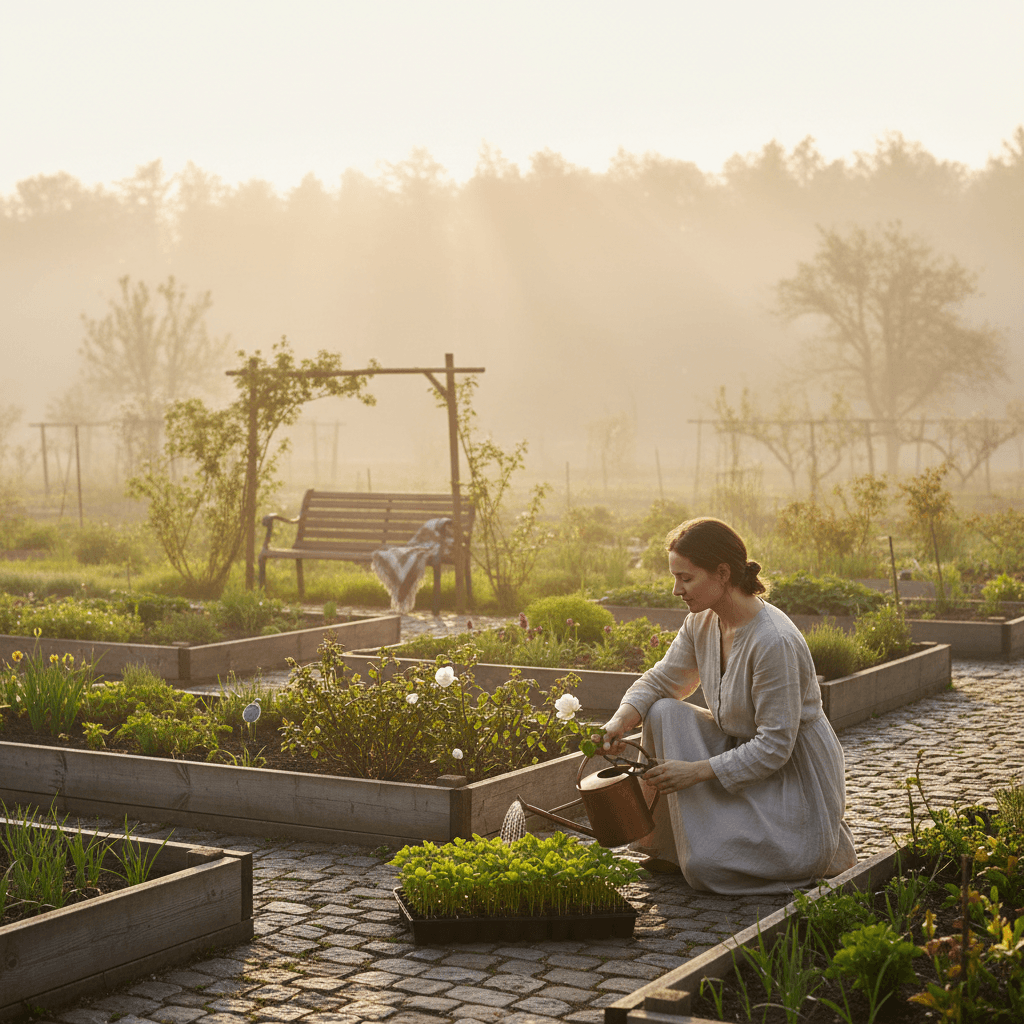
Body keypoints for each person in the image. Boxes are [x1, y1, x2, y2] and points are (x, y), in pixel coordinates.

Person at [597, 517, 857, 895]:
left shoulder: (773, 642)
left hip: (790, 776)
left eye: (686, 578)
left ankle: (817, 846)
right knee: (662, 710)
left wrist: (696, 771)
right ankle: (672, 846)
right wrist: (619, 721)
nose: (676, 590)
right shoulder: (702, 622)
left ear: (722, 573)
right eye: (675, 577)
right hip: (738, 749)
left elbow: (774, 747)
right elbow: (662, 680)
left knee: (706, 869)